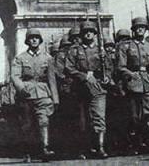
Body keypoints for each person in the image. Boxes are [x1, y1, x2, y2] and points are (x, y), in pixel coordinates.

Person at [65, 21, 113, 159]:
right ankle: (83, 149)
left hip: (98, 87)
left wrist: (107, 78)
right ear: (81, 34)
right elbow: (69, 68)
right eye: (85, 31)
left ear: (94, 34)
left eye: (91, 31)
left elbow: (109, 67)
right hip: (80, 89)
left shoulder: (101, 51)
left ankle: (100, 147)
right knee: (82, 121)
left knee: (99, 118)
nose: (88, 33)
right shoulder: (74, 50)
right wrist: (84, 76)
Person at [11, 28, 59, 161]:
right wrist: (21, 88)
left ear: (40, 40)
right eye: (31, 38)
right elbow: (15, 76)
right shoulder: (20, 58)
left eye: (36, 38)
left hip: (43, 94)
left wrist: (55, 99)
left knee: (44, 121)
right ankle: (28, 153)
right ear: (27, 41)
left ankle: (45, 148)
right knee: (27, 125)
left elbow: (52, 79)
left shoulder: (48, 58)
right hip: (26, 95)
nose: (34, 40)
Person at [117, 17, 149, 155]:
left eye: (142, 27)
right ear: (134, 30)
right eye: (137, 27)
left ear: (146, 30)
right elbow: (121, 67)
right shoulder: (125, 46)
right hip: (133, 82)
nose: (140, 29)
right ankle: (136, 142)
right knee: (134, 116)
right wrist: (131, 75)